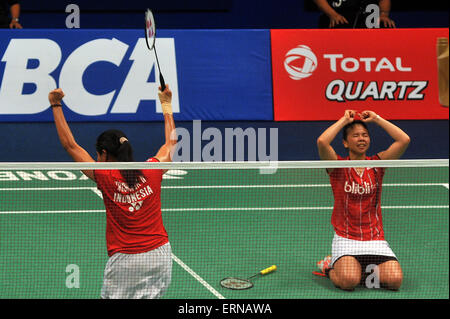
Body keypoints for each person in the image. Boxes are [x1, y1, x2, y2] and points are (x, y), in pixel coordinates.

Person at [48, 85, 177, 299]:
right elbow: (171, 142)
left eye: (98, 155)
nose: (97, 160)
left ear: (105, 154)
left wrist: (55, 104)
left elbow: (70, 146)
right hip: (160, 254)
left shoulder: (104, 176)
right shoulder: (152, 169)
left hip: (126, 260)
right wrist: (166, 104)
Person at [315, 109, 410, 291]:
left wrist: (377, 119)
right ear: (345, 142)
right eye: (356, 135)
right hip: (346, 238)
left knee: (395, 280)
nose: (361, 139)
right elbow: (322, 142)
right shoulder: (338, 167)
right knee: (348, 282)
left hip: (375, 239)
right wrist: (343, 120)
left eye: (365, 135)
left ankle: (357, 271)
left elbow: (404, 140)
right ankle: (329, 267)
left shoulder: (378, 164)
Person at [313, 0, 395, 29]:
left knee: (385, 26)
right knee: (339, 28)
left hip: (371, 15)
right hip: (340, 15)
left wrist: (384, 14)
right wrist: (332, 15)